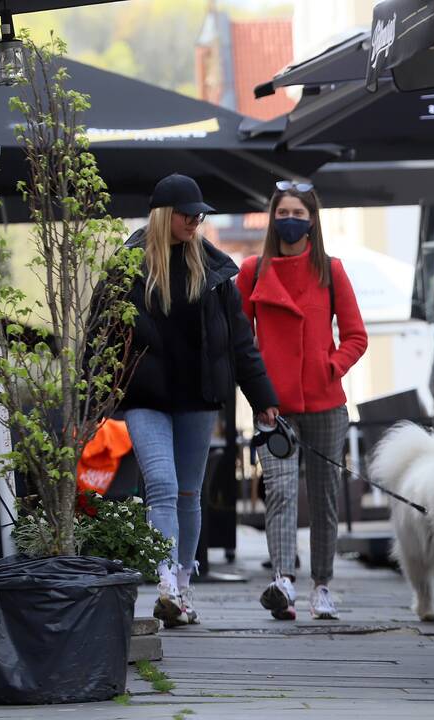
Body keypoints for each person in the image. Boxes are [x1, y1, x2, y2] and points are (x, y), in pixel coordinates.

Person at [119, 173, 279, 628]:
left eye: (199, 215)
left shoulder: (215, 270)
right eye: (188, 214)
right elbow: (101, 336)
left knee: (189, 493)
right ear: (165, 216)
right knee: (163, 487)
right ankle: (167, 582)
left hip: (198, 399)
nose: (195, 221)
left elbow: (240, 342)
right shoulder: (128, 267)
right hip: (145, 397)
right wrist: (93, 401)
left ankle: (183, 588)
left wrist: (263, 397)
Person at [236, 181, 368, 621]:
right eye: (282, 212)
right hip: (273, 408)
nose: (289, 219)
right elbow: (239, 342)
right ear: (273, 219)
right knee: (281, 492)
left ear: (311, 219)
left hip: (326, 406)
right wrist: (259, 394)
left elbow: (356, 337)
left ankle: (323, 586)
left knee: (326, 497)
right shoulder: (253, 271)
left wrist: (329, 367)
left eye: (297, 212)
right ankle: (283, 582)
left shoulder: (331, 270)